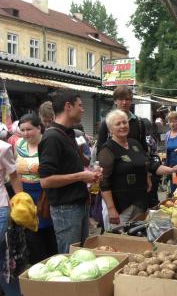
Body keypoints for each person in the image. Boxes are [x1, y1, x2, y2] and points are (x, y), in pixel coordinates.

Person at [38, 89, 102, 254]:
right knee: (69, 257)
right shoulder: (52, 137)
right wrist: (81, 176)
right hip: (65, 209)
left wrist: (89, 173)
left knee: (80, 254)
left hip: (79, 204)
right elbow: (45, 180)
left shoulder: (70, 133)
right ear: (68, 106)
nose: (83, 109)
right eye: (79, 105)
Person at [99, 110, 177, 229]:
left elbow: (150, 165)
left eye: (124, 122)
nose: (123, 126)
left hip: (140, 202)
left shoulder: (135, 144)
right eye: (118, 124)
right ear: (110, 129)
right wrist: (111, 209)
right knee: (121, 239)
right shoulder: (107, 149)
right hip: (121, 207)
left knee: (137, 237)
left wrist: (171, 170)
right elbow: (104, 181)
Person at [15, 113, 57, 264]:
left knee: (48, 231)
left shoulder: (47, 143)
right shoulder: (18, 144)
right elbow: (15, 172)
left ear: (39, 128)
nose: (26, 133)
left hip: (45, 194)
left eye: (29, 129)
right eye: (23, 130)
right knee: (31, 233)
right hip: (25, 194)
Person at [0, 128, 23, 295]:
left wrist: (22, 202)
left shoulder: (3, 148)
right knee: (3, 259)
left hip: (0, 208)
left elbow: (14, 176)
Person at [97, 85, 147, 153]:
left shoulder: (139, 122)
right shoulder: (106, 123)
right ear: (115, 101)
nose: (124, 102)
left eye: (127, 99)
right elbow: (100, 150)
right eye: (121, 99)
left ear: (131, 101)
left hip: (136, 162)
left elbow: (144, 148)